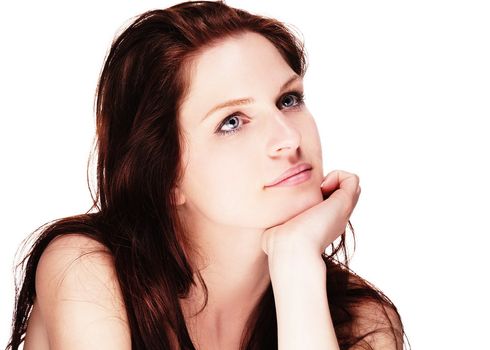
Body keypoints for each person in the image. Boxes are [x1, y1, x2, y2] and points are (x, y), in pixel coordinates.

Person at [6, 1, 407, 349]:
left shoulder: (361, 320)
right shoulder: (86, 269)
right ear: (167, 176)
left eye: (288, 100)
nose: (288, 138)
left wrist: (296, 263)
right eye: (232, 121)